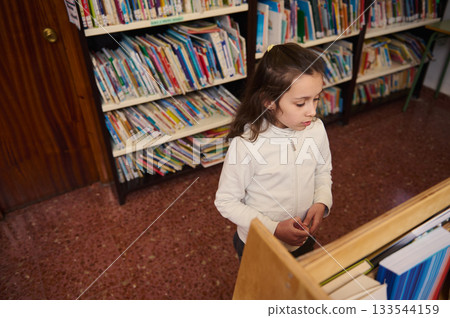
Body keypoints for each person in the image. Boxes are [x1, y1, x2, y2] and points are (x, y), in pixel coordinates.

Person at [214, 43, 332, 261]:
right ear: (269, 101)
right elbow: (226, 201)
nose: (313, 111)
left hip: (302, 238)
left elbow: (322, 170)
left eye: (316, 98)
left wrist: (322, 200)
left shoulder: (316, 129)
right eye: (300, 103)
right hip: (259, 244)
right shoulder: (247, 145)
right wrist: (274, 228)